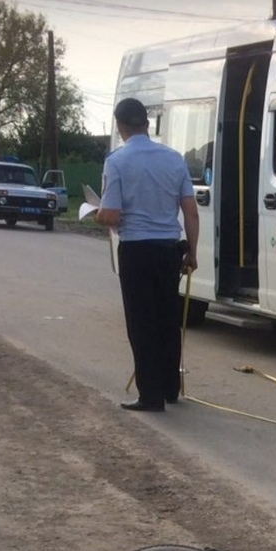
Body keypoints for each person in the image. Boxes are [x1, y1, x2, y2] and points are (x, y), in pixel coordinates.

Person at [96, 97, 199, 412]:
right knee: (168, 319)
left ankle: (150, 396)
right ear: (147, 123)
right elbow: (191, 213)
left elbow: (111, 214)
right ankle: (170, 388)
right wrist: (192, 252)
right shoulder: (173, 159)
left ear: (120, 125)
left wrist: (96, 213)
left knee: (142, 324)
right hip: (169, 248)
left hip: (137, 250)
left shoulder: (117, 161)